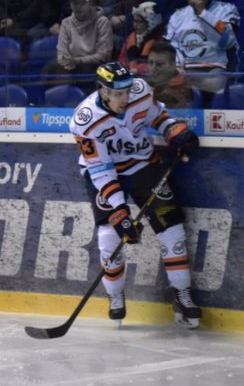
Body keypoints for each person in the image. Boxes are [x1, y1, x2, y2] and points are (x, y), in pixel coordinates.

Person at [69, 61, 203, 327]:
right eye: (118, 94)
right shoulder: (85, 121)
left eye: (127, 91)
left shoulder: (140, 91)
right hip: (105, 174)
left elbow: (158, 116)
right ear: (103, 91)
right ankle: (115, 295)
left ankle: (181, 293)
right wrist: (120, 211)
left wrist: (174, 131)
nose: (125, 98)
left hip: (142, 165)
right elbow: (101, 170)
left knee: (171, 228)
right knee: (110, 235)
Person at [165, 0, 240, 95]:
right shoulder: (178, 16)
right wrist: (178, 66)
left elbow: (227, 40)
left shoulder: (226, 10)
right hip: (186, 71)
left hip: (215, 70)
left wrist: (203, 13)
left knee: (213, 85)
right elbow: (173, 46)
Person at [43, 0, 113, 77]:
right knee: (49, 69)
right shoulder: (66, 23)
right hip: (72, 65)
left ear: (90, 3)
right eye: (75, 3)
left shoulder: (102, 22)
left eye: (82, 3)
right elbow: (62, 51)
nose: (78, 7)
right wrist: (66, 62)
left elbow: (104, 55)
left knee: (86, 69)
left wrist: (78, 61)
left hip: (94, 66)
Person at [118, 0, 165, 75]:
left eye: (139, 22)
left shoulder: (160, 43)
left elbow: (159, 67)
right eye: (134, 21)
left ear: (151, 23)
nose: (134, 25)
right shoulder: (131, 38)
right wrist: (125, 69)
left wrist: (139, 70)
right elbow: (121, 59)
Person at [147, 40, 195, 108]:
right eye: (151, 62)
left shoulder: (182, 91)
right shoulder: (149, 83)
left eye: (159, 64)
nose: (153, 68)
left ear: (173, 64)